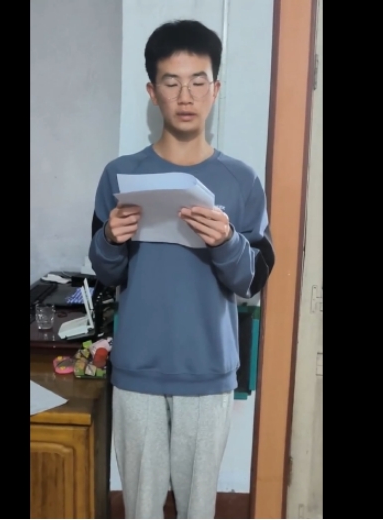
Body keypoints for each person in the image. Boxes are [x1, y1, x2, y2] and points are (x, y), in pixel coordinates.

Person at [88, 19, 275, 519]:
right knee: (140, 508)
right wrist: (110, 237)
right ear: (153, 92)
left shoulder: (241, 180)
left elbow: (252, 280)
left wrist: (227, 241)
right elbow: (106, 274)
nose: (186, 95)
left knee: (197, 509)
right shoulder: (120, 175)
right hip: (137, 368)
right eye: (171, 82)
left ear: (216, 89)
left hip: (208, 370)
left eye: (198, 81)